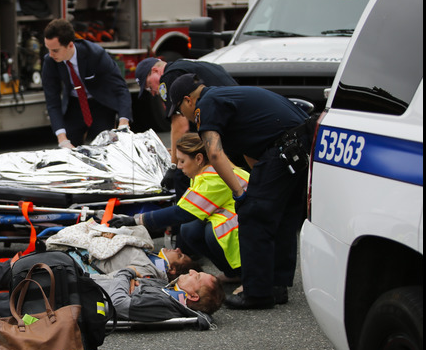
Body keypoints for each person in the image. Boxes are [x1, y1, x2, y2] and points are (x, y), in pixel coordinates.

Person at [166, 73, 313, 309]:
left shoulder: (207, 104)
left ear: (188, 100)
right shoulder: (228, 96)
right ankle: (276, 286)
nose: (185, 116)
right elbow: (251, 148)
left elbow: (214, 153)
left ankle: (256, 293)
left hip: (284, 149)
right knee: (284, 217)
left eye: (181, 110)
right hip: (300, 146)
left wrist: (241, 194)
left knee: (253, 217)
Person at [0, 242, 223, 329]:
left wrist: (125, 277)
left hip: (72, 305)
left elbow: (120, 305)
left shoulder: (166, 304)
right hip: (74, 291)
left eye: (196, 276)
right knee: (12, 285)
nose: (192, 272)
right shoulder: (166, 294)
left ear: (192, 294)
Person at [108, 133, 248, 283]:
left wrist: (135, 220)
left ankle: (247, 275)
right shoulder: (206, 173)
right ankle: (232, 273)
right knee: (190, 229)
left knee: (212, 233)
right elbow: (185, 208)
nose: (179, 166)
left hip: (250, 221)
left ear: (199, 159)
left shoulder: (213, 178)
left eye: (182, 161)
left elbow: (182, 213)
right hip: (240, 216)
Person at [135, 57, 238, 195]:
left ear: (155, 70)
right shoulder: (195, 65)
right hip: (238, 120)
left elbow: (180, 126)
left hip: (227, 128)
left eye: (149, 86)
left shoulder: (169, 76)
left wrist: (174, 166)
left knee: (182, 174)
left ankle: (188, 213)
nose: (153, 92)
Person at [41, 19, 132, 148]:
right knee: (67, 152)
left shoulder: (96, 54)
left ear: (70, 45)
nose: (50, 55)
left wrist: (123, 122)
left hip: (99, 104)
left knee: (105, 150)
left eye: (55, 50)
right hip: (74, 105)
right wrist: (62, 138)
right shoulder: (50, 61)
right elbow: (52, 101)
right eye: (48, 49)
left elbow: (120, 88)